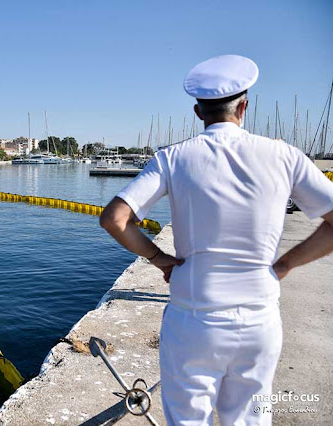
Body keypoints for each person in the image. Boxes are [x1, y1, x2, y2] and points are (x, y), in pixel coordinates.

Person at [100, 54, 333, 425]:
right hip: (259, 319)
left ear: (197, 112)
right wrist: (285, 263)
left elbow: (115, 219)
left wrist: (160, 259)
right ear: (244, 105)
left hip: (193, 319)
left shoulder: (173, 158)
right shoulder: (284, 156)